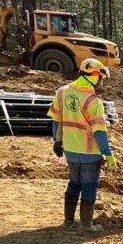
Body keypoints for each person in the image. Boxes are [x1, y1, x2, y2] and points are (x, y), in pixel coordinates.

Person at [48, 58, 117, 233]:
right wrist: (108, 155)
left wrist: (57, 141)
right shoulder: (93, 101)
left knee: (74, 183)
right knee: (88, 186)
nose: (101, 83)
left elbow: (56, 120)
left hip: (70, 150)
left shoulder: (62, 92)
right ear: (94, 76)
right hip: (89, 153)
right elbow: (100, 132)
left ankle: (68, 222)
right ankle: (86, 225)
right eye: (100, 78)